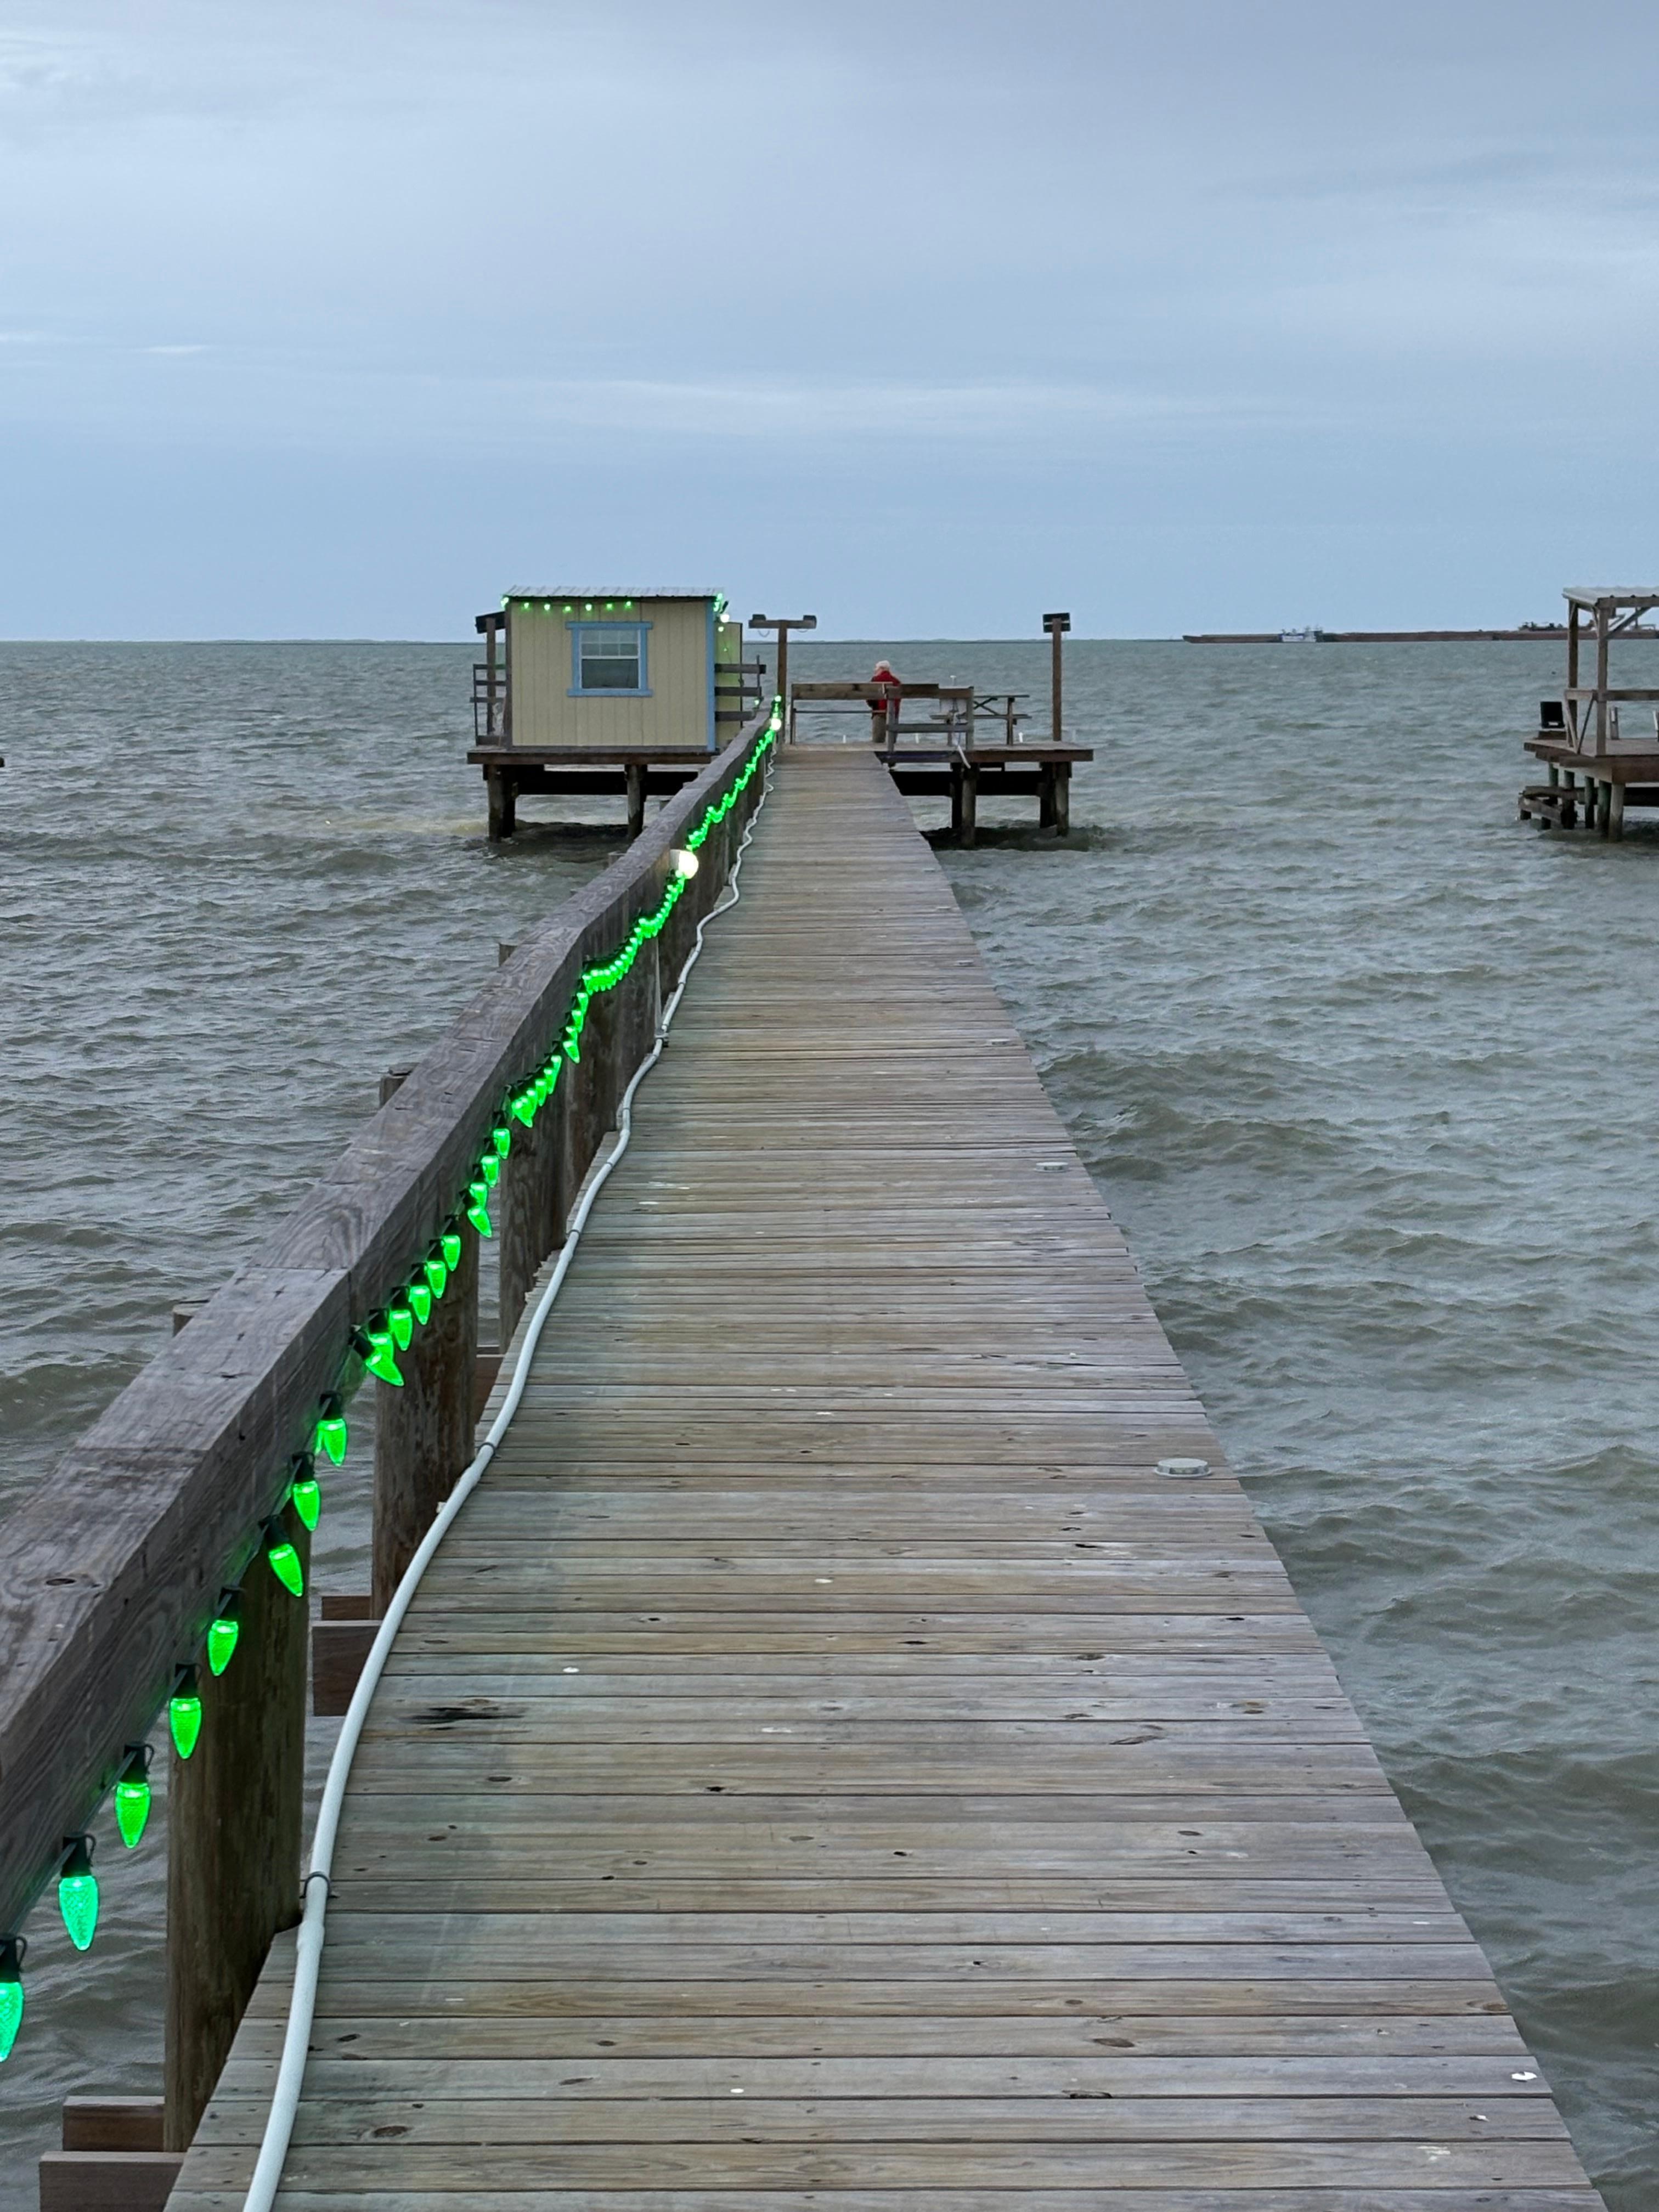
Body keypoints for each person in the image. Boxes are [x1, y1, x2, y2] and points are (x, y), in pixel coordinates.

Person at [869, 658, 901, 746]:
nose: (875, 671)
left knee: (878, 739)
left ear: (882, 669)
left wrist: (872, 706)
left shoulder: (876, 680)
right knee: (893, 719)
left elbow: (870, 698)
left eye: (877, 668)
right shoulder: (896, 681)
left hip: (880, 710)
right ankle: (893, 744)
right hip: (894, 711)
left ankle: (878, 745)